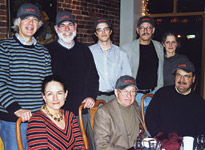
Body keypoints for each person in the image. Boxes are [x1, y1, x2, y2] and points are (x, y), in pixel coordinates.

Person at [0, 3, 52, 149]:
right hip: (13, 120)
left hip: (39, 119)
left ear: (39, 24)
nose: (31, 23)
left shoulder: (43, 52)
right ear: (18, 23)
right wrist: (16, 109)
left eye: (35, 19)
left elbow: (47, 84)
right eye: (26, 18)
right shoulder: (4, 48)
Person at [44, 11, 99, 126]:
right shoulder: (47, 51)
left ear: (75, 26)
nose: (67, 29)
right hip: (55, 112)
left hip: (80, 111)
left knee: (81, 143)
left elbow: (93, 77)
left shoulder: (84, 50)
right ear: (56, 28)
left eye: (70, 25)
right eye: (62, 26)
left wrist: (91, 96)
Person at [146, 61, 205, 137]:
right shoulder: (162, 94)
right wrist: (159, 138)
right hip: (164, 143)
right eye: (178, 75)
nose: (182, 80)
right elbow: (150, 118)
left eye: (186, 76)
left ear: (193, 79)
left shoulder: (199, 102)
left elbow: (202, 129)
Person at [27, 75, 85, 149]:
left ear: (65, 94)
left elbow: (79, 145)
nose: (55, 98)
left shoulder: (70, 116)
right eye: (50, 94)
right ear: (44, 96)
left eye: (59, 93)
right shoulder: (37, 121)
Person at [121, 16, 164, 113]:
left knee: (151, 126)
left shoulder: (159, 47)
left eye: (148, 27)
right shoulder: (127, 48)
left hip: (153, 95)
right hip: (135, 96)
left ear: (153, 30)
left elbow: (160, 71)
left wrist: (158, 92)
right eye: (142, 28)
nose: (145, 30)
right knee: (134, 127)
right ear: (137, 30)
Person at [94, 75, 148, 150]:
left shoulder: (135, 106)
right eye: (125, 91)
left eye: (132, 91)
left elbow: (143, 134)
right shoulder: (104, 112)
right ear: (116, 92)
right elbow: (101, 146)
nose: (129, 95)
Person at [89, 18, 132, 103]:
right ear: (95, 33)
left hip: (115, 98)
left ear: (110, 31)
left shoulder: (121, 53)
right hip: (95, 99)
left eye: (106, 29)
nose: (103, 32)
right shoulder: (89, 52)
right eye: (99, 30)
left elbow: (126, 78)